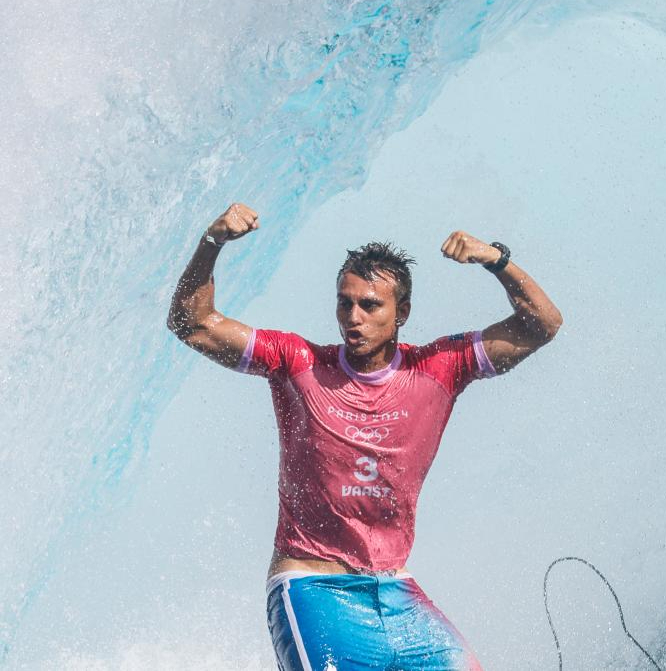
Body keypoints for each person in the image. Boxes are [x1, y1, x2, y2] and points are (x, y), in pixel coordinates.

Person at [167, 202, 562, 671]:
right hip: (313, 588)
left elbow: (543, 324)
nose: (353, 317)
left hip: (396, 592)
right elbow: (190, 323)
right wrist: (212, 241)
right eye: (345, 302)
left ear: (402, 313)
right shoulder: (297, 362)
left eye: (370, 305)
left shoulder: (439, 368)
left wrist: (496, 260)